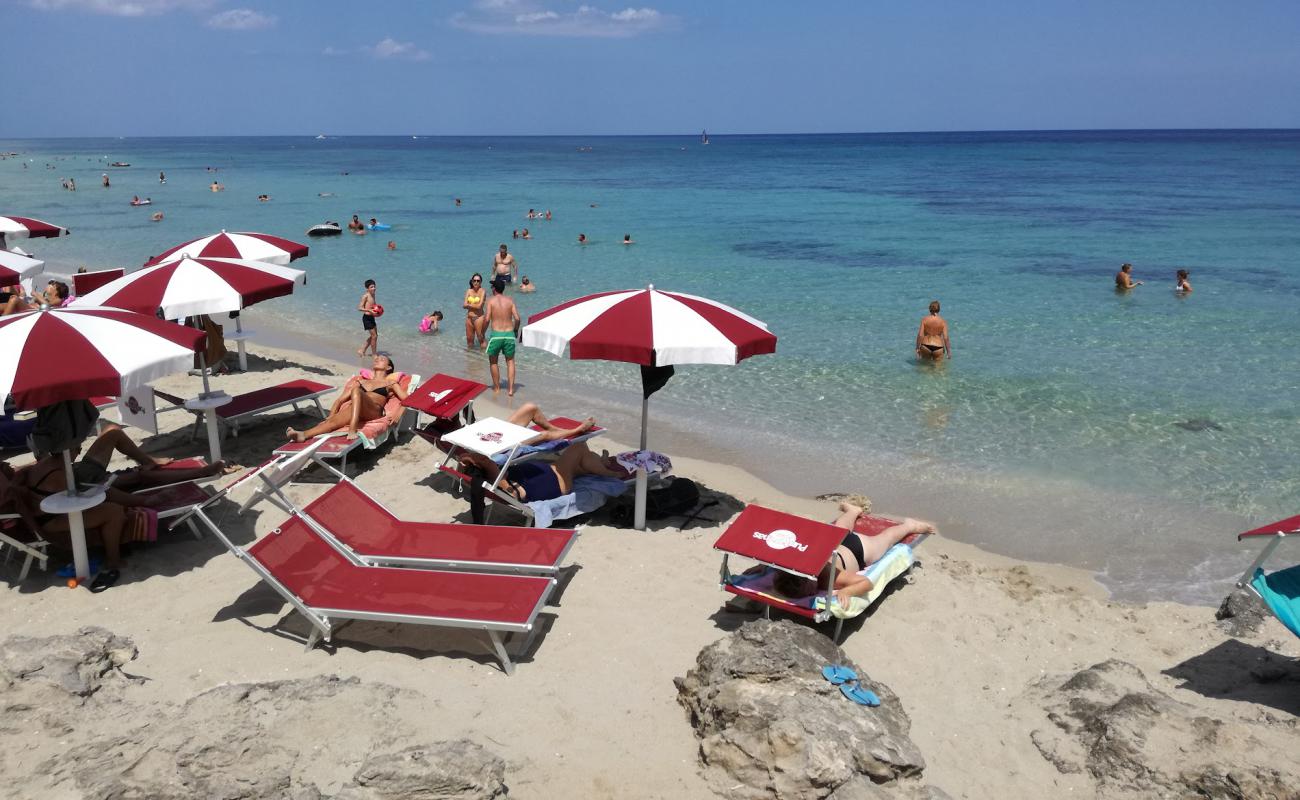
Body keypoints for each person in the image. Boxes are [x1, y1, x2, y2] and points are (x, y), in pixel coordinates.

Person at [771, 503, 937, 608]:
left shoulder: (831, 577)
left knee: (887, 539)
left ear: (810, 578)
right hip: (835, 544)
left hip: (859, 549)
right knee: (840, 529)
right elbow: (777, 562)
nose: (810, 594)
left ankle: (909, 525)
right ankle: (853, 510)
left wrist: (847, 592)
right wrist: (760, 568)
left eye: (808, 591)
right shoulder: (794, 566)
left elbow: (866, 583)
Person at [458, 438, 626, 512]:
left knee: (582, 464)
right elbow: (515, 494)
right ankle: (609, 472)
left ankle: (602, 462)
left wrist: (467, 459)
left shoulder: (496, 474)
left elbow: (466, 470)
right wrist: (491, 469)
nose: (490, 461)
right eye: (486, 462)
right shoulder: (502, 483)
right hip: (559, 481)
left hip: (555, 470)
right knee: (579, 447)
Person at [287, 354, 407, 442]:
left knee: (356, 391)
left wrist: (398, 413)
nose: (377, 360)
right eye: (376, 359)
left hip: (374, 412)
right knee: (332, 423)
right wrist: (331, 416)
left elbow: (408, 400)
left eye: (382, 360)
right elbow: (340, 400)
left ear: (388, 368)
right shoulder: (361, 382)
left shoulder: (390, 383)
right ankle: (303, 435)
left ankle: (352, 428)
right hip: (356, 411)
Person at [485, 278, 521, 396]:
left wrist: (482, 332)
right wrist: (515, 330)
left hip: (496, 335)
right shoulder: (510, 301)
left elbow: (486, 319)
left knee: (493, 361)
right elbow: (517, 318)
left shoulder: (490, 301)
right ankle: (510, 390)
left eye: (492, 287)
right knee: (510, 361)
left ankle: (497, 388)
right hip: (509, 335)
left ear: (494, 289)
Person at [463, 272, 487, 348]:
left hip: (478, 318)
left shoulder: (482, 291)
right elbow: (464, 305)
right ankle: (470, 358)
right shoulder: (469, 291)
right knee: (469, 340)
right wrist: (474, 306)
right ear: (472, 281)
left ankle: (483, 357)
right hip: (469, 318)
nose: (476, 282)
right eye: (474, 280)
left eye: (478, 281)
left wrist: (469, 305)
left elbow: (479, 307)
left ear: (481, 282)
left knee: (481, 339)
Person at [357, 279, 379, 357]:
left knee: (375, 335)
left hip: (372, 317)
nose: (374, 288)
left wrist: (377, 311)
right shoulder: (365, 296)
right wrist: (369, 310)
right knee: (374, 336)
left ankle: (362, 350)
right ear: (367, 288)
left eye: (374, 286)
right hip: (366, 318)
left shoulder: (373, 294)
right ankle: (374, 354)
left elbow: (373, 304)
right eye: (371, 287)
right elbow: (359, 308)